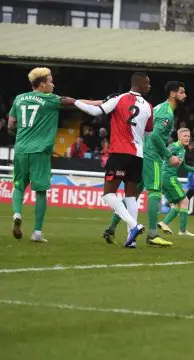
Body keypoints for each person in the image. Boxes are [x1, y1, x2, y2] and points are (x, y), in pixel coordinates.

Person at [101, 81, 185, 248]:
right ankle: (152, 235)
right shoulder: (167, 113)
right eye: (182, 92)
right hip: (151, 155)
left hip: (140, 153)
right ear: (173, 94)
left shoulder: (159, 108)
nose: (185, 95)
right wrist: (169, 156)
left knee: (134, 193)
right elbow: (154, 136)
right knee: (154, 192)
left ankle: (111, 228)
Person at [74, 72, 154, 248]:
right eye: (148, 84)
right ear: (139, 84)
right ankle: (131, 240)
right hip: (137, 155)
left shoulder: (119, 99)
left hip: (119, 153)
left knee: (109, 194)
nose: (150, 86)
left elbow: (95, 111)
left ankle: (134, 226)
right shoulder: (148, 106)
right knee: (131, 196)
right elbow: (148, 132)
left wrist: (75, 102)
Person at [9, 67, 76, 242]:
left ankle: (17, 214)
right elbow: (74, 103)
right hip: (40, 151)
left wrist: (25, 132)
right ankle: (37, 233)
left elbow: (11, 125)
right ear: (42, 84)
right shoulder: (50, 100)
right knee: (40, 191)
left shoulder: (19, 99)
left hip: (21, 149)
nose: (53, 84)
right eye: (51, 81)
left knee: (18, 186)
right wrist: (102, 102)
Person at [158, 128, 194, 237]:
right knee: (185, 201)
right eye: (185, 136)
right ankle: (182, 230)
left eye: (188, 136)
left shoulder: (182, 150)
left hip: (169, 177)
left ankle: (165, 223)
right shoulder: (174, 146)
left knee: (179, 203)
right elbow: (164, 154)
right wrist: (170, 158)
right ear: (179, 137)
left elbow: (183, 166)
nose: (187, 138)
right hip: (168, 177)